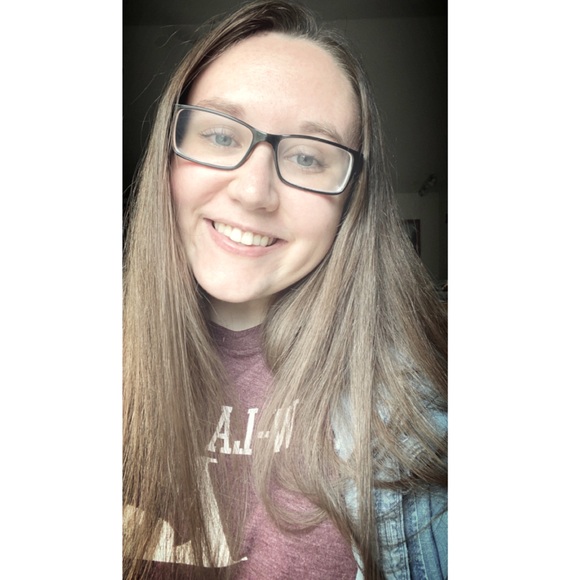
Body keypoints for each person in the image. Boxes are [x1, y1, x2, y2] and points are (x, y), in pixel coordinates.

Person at [123, 1, 448, 578]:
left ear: (350, 199)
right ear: (168, 155)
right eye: (219, 135)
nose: (254, 192)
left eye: (306, 157)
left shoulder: (427, 402)